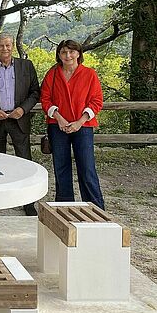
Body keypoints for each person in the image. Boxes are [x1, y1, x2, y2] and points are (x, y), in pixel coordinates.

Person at [0, 33, 40, 216]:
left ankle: (28, 202)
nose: (5, 48)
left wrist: (23, 109)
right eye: (1, 45)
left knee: (25, 160)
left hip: (19, 118)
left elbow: (35, 92)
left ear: (13, 46)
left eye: (8, 45)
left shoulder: (26, 66)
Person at [40, 40, 105, 210]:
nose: (68, 56)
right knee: (61, 168)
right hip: (57, 126)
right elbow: (45, 99)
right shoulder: (52, 74)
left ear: (78, 53)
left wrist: (80, 121)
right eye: (63, 52)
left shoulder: (90, 74)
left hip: (83, 126)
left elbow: (97, 101)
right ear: (59, 55)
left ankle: (96, 209)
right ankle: (64, 208)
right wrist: (59, 118)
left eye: (71, 52)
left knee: (87, 168)